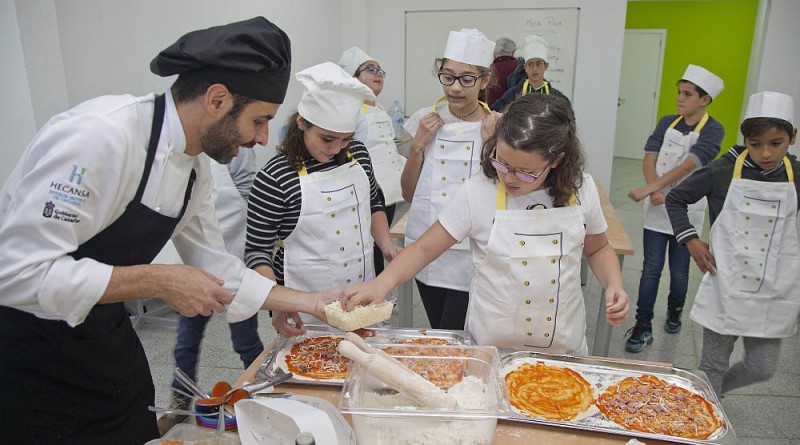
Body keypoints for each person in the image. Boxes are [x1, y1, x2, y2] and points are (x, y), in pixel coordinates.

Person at [0, 17, 340, 444]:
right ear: (217, 100)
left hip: (102, 338)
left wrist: (312, 303)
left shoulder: (194, 170)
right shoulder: (100, 138)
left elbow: (217, 268)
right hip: (29, 350)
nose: (262, 137)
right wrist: (157, 279)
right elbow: (13, 274)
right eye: (258, 120)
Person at [343, 94, 629, 354]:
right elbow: (423, 250)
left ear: (556, 161)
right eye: (502, 163)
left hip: (562, 344)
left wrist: (614, 283)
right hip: (491, 346)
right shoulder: (477, 192)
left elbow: (597, 248)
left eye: (527, 172)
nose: (510, 178)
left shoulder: (582, 190)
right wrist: (382, 283)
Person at [245, 62, 399, 337]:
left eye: (345, 140)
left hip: (363, 298)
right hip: (305, 310)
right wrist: (279, 304)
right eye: (327, 138)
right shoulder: (275, 177)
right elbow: (257, 251)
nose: (336, 148)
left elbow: (373, 203)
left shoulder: (359, 155)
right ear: (302, 123)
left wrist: (386, 245)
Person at [665, 91, 799, 396]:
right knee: (712, 367)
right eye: (755, 144)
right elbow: (676, 199)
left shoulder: (796, 175)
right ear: (745, 140)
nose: (765, 153)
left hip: (773, 290)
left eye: (775, 143)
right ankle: (705, 408)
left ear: (792, 137)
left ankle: (708, 394)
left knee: (762, 367)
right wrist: (691, 240)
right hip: (726, 283)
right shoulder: (723, 170)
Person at [160, 147, 264, 433]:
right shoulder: (186, 157)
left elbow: (248, 193)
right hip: (199, 265)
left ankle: (260, 396)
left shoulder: (237, 150)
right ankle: (180, 401)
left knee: (246, 341)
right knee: (186, 340)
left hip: (236, 258)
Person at [401, 28, 499, 330]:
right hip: (427, 247)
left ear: (484, 80)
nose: (455, 88)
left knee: (458, 333)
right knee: (440, 330)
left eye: (467, 79)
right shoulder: (424, 120)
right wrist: (418, 145)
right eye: (447, 76)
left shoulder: (497, 125)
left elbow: (506, 192)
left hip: (472, 251)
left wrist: (493, 146)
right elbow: (408, 194)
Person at [624, 65, 725, 353]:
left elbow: (690, 165)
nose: (680, 99)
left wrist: (653, 189)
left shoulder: (714, 129)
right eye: (679, 93)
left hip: (686, 212)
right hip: (656, 210)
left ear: (705, 100)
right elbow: (649, 156)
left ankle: (676, 310)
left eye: (688, 94)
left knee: (680, 273)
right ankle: (643, 326)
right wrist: (654, 188)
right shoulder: (667, 121)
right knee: (650, 270)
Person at [338, 46, 407, 276]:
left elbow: (387, 147)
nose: (378, 74)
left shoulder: (378, 107)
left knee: (381, 242)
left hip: (388, 191)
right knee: (367, 246)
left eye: (380, 70)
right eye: (370, 69)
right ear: (352, 77)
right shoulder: (350, 110)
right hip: (367, 191)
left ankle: (378, 291)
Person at [490, 35, 569, 112]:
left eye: (539, 64)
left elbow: (570, 120)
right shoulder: (513, 94)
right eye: (530, 64)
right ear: (525, 67)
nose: (534, 69)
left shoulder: (557, 97)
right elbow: (493, 111)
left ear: (546, 66)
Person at [486, 37, 518, 107]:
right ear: (513, 52)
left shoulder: (488, 70)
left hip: (492, 114)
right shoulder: (521, 67)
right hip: (516, 112)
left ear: (494, 54)